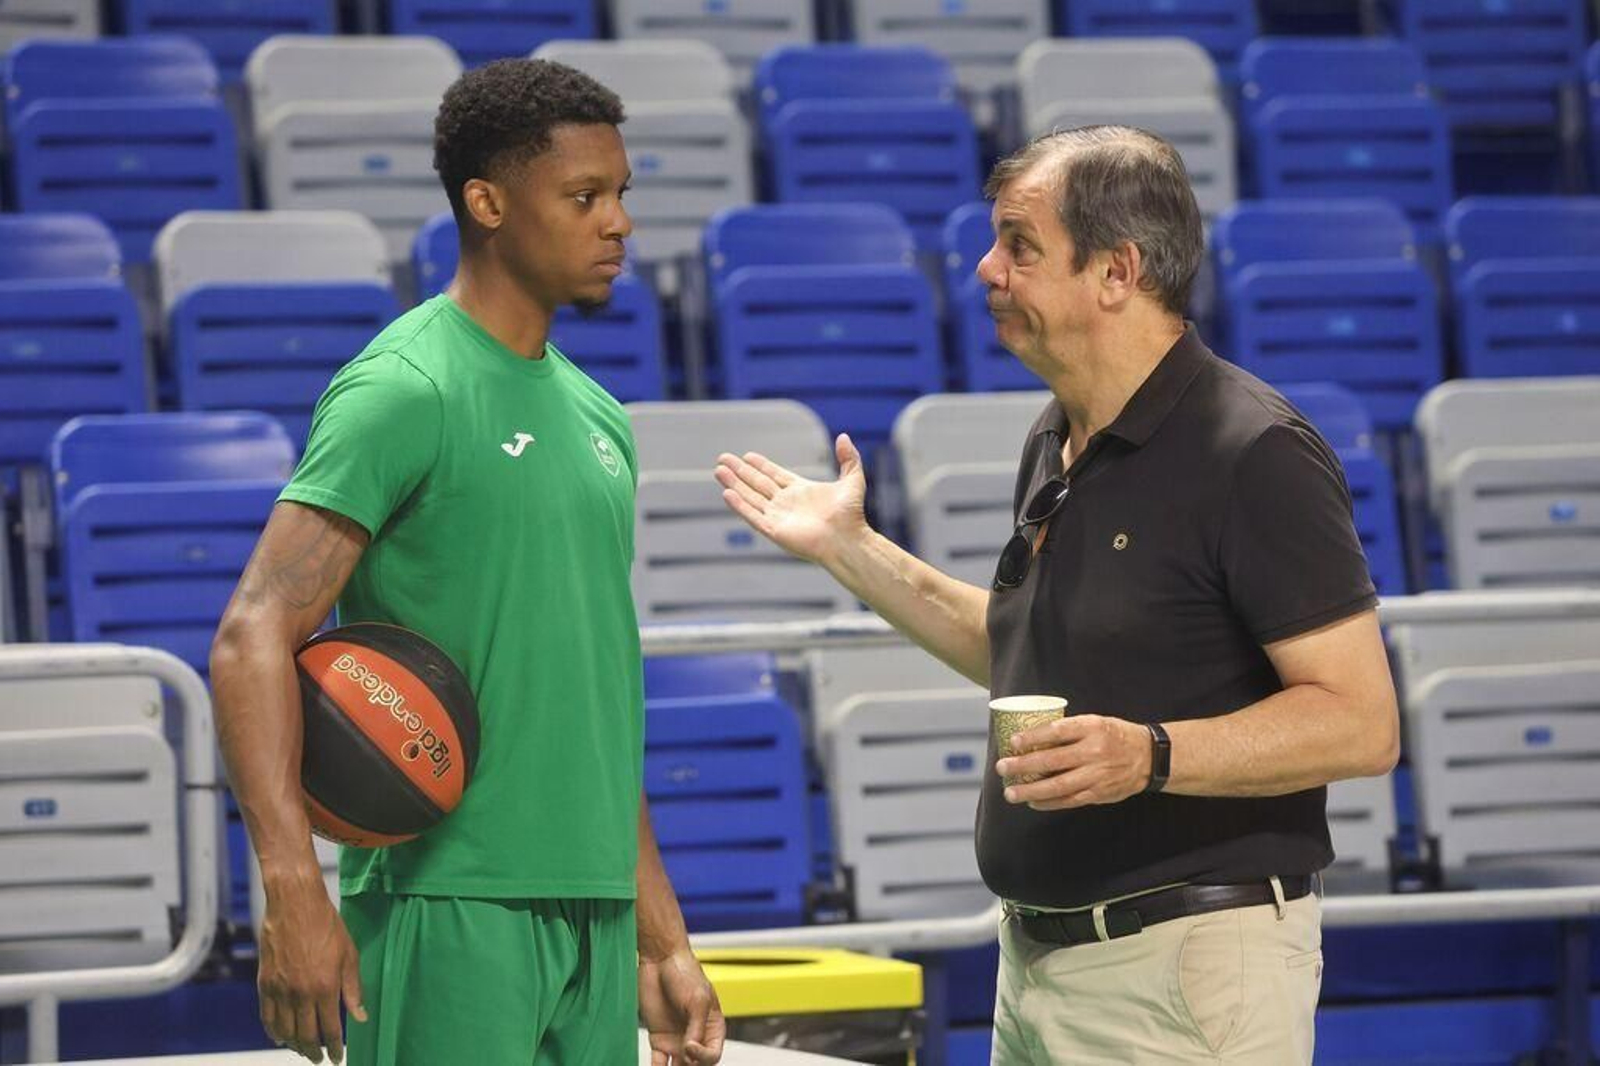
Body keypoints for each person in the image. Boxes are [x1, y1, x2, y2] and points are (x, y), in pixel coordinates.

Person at [714, 125, 1399, 1064]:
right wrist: (852, 549)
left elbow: (1361, 723)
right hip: (1035, 967)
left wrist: (1150, 754)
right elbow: (1018, 650)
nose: (987, 268)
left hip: (1184, 980)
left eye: (1019, 245)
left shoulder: (1255, 453)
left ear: (1117, 272)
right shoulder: (1057, 437)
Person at [211, 58, 724, 1066]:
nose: (618, 223)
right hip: (446, 901)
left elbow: (591, 696)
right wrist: (291, 888)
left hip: (594, 906)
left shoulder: (598, 417)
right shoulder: (404, 388)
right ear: (487, 202)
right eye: (584, 197)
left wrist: (661, 935)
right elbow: (250, 635)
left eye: (622, 195)